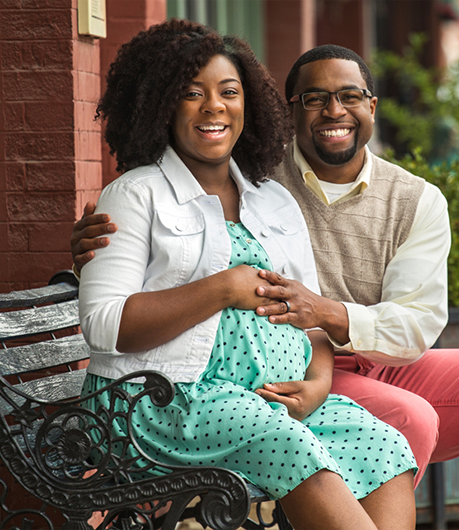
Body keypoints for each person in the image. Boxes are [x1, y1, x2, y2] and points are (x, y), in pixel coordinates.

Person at [74, 41, 459, 530]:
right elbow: (123, 297)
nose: (334, 111)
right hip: (192, 391)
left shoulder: (391, 199)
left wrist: (322, 343)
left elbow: (415, 325)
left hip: (349, 359)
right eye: (314, 99)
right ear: (289, 111)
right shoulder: (248, 175)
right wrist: (92, 256)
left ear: (372, 106)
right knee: (404, 421)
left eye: (350, 96)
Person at [78, 21, 417, 530]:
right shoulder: (136, 194)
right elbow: (104, 325)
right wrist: (222, 288)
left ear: (248, 106)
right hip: (163, 400)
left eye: (229, 92)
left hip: (266, 401)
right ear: (162, 106)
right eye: (192, 94)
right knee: (292, 448)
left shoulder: (271, 200)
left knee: (383, 445)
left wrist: (319, 385)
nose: (214, 106)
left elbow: (312, 318)